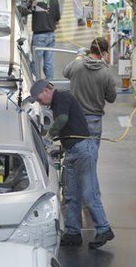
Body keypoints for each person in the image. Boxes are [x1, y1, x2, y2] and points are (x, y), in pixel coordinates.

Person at [27, 79, 113, 249]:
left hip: (83, 151)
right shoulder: (58, 102)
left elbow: (62, 120)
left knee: (89, 192)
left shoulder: (62, 97)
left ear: (46, 91)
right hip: (72, 152)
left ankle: (104, 229)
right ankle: (73, 232)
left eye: (38, 99)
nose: (40, 103)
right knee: (71, 195)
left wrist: (48, 138)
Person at [63, 37, 118, 139]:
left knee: (76, 151)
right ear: (104, 53)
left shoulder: (77, 65)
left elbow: (65, 72)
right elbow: (112, 98)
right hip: (94, 120)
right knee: (91, 153)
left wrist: (79, 57)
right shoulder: (105, 73)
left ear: (90, 50)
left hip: (76, 117)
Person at [30, 0, 61, 81]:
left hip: (39, 35)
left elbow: (27, 10)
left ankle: (36, 83)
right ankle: (50, 84)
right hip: (51, 35)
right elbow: (57, 18)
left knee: (36, 62)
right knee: (48, 62)